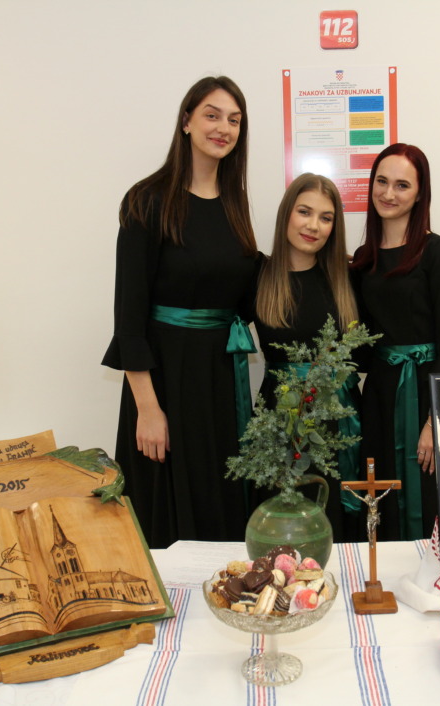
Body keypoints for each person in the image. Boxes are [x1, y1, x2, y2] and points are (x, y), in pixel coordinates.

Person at [101, 76, 258, 548]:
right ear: (186, 121)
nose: (223, 128)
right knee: (164, 515)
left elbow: (248, 290)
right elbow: (129, 319)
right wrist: (148, 410)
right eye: (212, 115)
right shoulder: (146, 200)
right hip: (164, 383)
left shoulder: (235, 204)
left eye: (234, 120)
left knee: (218, 503)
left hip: (219, 383)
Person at [351, 144, 440, 541]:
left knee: (431, 494)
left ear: (420, 194)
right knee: (380, 496)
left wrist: (435, 421)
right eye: (381, 182)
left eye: (402, 185)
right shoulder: (362, 260)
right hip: (380, 397)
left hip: (425, 393)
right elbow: (361, 346)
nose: (389, 193)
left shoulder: (438, 252)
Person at [254, 173, 360, 541]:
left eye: (326, 217)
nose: (313, 225)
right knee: (282, 524)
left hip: (338, 417)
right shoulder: (258, 276)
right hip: (278, 417)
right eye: (304, 212)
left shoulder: (347, 278)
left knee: (337, 520)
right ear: (286, 214)